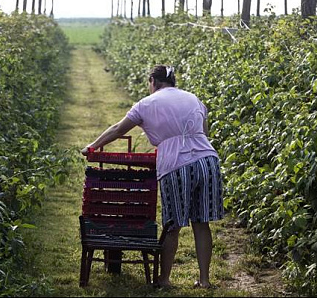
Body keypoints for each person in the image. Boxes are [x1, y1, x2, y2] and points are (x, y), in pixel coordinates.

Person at [80, 65, 224, 289]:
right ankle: (204, 280)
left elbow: (119, 129)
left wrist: (93, 146)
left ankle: (164, 279)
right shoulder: (193, 98)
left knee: (172, 225)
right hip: (208, 161)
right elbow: (203, 132)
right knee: (201, 223)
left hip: (177, 165)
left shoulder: (147, 104)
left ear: (153, 82)